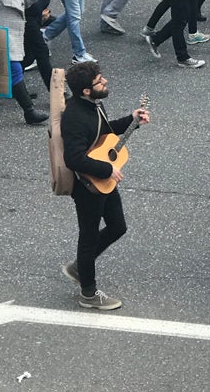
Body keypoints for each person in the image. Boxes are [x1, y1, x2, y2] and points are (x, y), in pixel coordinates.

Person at [59, 61, 151, 310]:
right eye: (100, 81)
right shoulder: (75, 117)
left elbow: (103, 132)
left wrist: (131, 120)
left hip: (102, 180)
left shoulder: (92, 104)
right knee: (88, 238)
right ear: (86, 90)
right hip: (88, 185)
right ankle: (88, 293)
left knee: (118, 227)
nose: (105, 82)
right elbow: (73, 158)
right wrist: (108, 168)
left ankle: (80, 266)